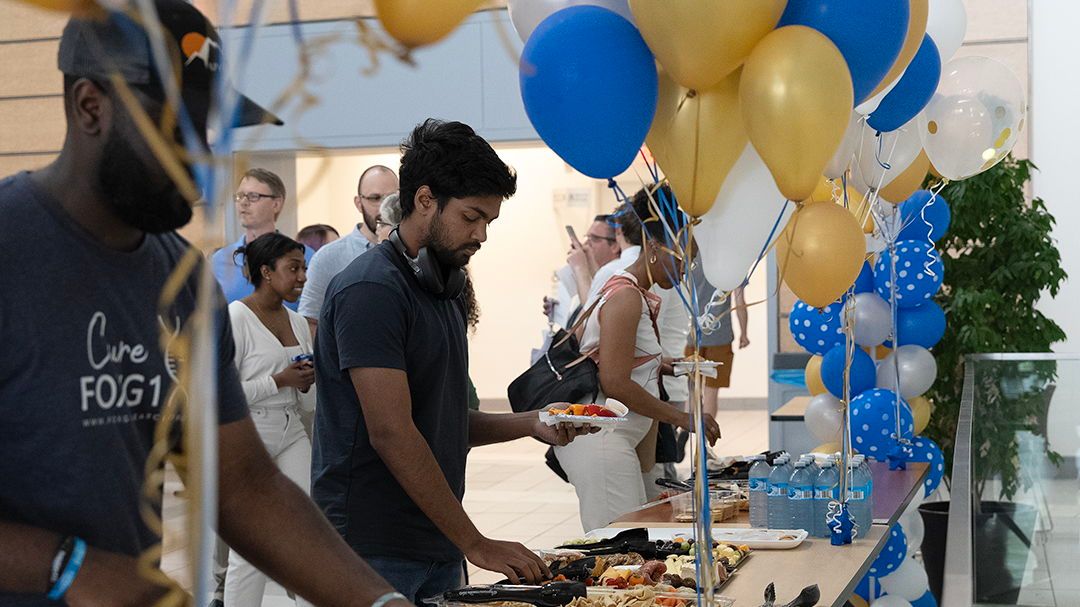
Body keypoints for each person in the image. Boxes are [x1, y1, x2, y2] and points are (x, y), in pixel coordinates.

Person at [0, 3, 407, 606]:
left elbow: (243, 486)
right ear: (91, 106)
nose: (205, 164)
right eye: (180, 132)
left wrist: (379, 601)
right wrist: (68, 566)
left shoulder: (184, 281)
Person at [312, 119, 593, 599]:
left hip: (433, 542)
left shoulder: (444, 289)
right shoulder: (372, 290)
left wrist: (530, 423)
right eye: (471, 216)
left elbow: (439, 419)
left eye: (489, 221)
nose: (482, 234)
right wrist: (476, 542)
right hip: (371, 549)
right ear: (425, 200)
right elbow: (392, 432)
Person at [554, 186, 721, 532]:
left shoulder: (635, 292)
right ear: (654, 246)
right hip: (601, 440)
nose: (686, 269)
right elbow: (613, 381)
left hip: (619, 439)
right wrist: (685, 419)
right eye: (681, 257)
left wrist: (665, 364)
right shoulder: (626, 297)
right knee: (622, 551)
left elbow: (619, 358)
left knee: (642, 543)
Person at [226, 233, 317, 606]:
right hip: (251, 434)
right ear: (265, 271)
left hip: (292, 427)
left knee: (309, 530)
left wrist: (307, 380)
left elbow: (302, 389)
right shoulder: (236, 317)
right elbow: (221, 391)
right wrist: (279, 380)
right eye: (293, 268)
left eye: (304, 268)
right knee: (250, 542)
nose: (302, 278)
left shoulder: (296, 322)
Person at [298, 165, 398, 335]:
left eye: (392, 197)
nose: (384, 206)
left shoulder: (414, 251)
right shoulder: (328, 257)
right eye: (375, 198)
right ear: (359, 203)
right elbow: (309, 322)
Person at [211, 168, 315, 310]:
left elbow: (312, 316)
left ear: (276, 204)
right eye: (239, 196)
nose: (244, 203)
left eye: (253, 196)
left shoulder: (305, 257)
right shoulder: (220, 260)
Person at [686, 262, 750, 443]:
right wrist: (744, 333)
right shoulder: (734, 263)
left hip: (693, 336)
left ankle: (688, 432)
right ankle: (704, 439)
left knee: (692, 389)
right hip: (720, 337)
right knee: (711, 391)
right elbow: (739, 302)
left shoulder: (693, 259)